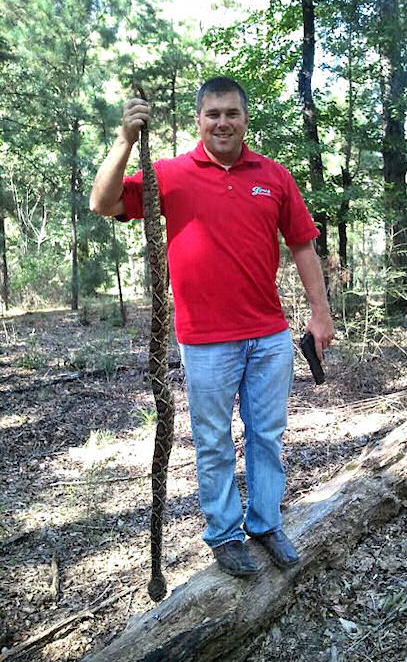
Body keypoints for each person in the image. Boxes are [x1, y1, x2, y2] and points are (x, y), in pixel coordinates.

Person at [90, 76, 334, 577]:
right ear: (199, 120)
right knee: (213, 440)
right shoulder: (169, 175)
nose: (222, 122)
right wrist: (124, 141)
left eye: (232, 113)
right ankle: (224, 533)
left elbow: (303, 246)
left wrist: (320, 313)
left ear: (246, 118)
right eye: (213, 114)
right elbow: (103, 203)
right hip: (205, 342)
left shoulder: (274, 176)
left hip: (268, 334)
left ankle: (266, 523)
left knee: (268, 435)